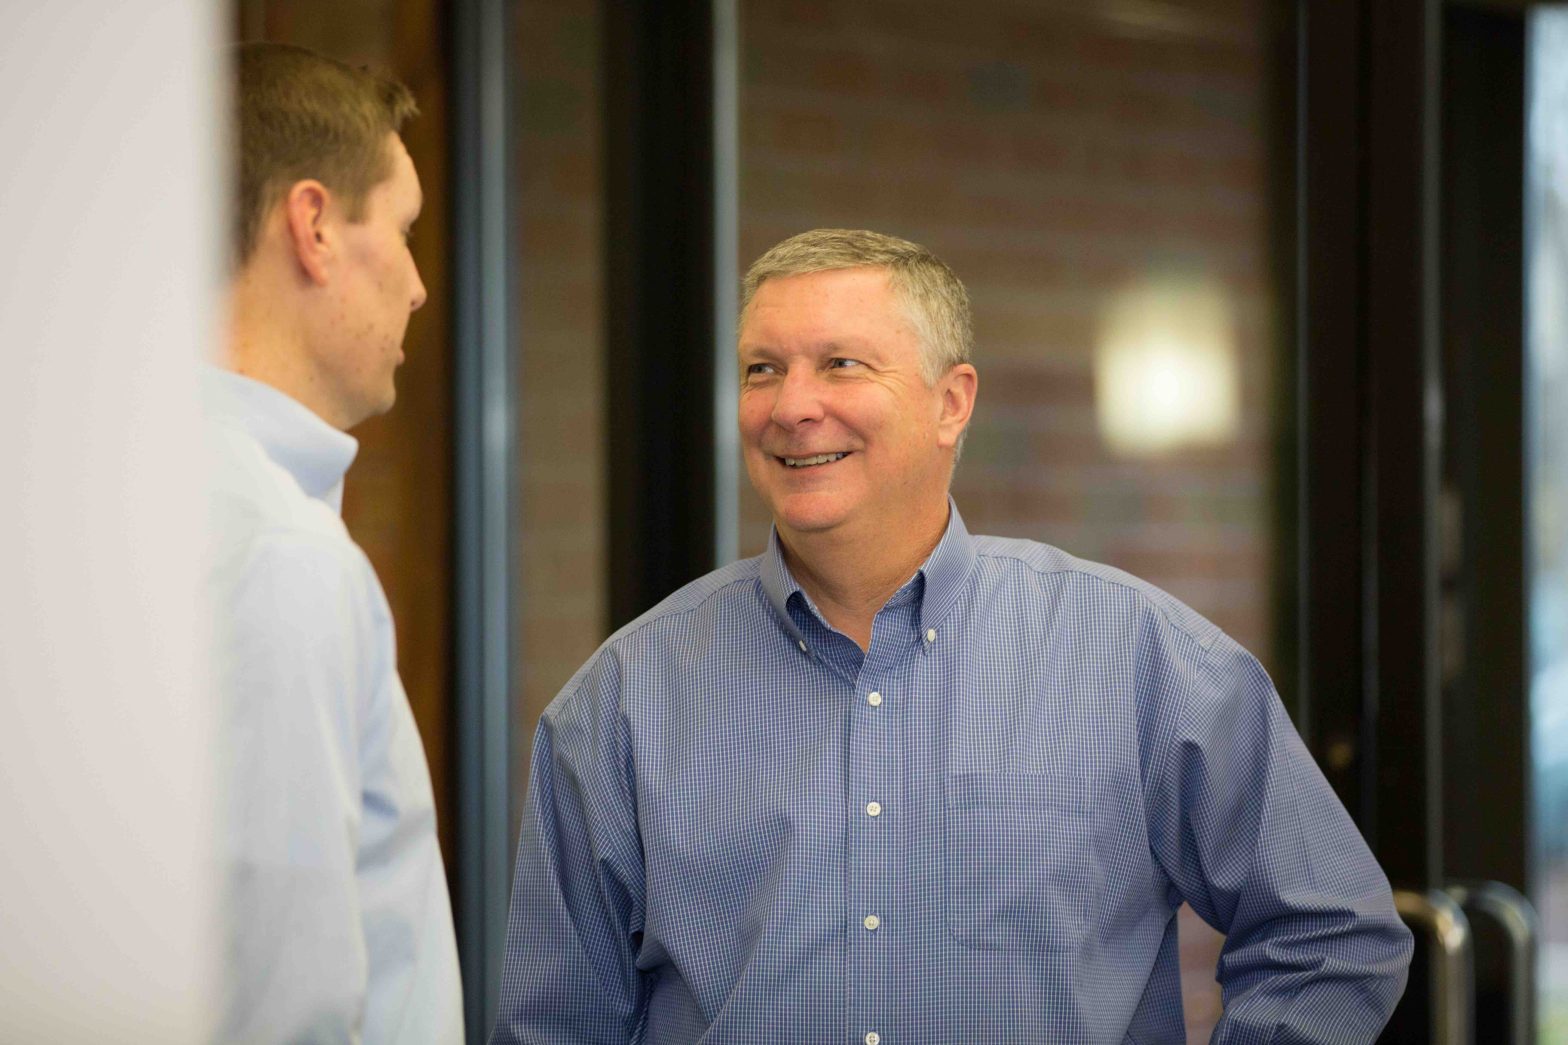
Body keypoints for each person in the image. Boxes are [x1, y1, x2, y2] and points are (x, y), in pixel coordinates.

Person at [491, 229, 1411, 1043]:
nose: (790, 405)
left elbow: (1332, 934)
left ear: (951, 401)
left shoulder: (1140, 659)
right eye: (762, 368)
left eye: (842, 364)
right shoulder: (622, 696)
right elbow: (555, 1022)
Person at [205, 42, 461, 1043]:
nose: (417, 286)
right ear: (312, 226)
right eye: (402, 230)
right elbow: (276, 1008)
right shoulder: (277, 552)